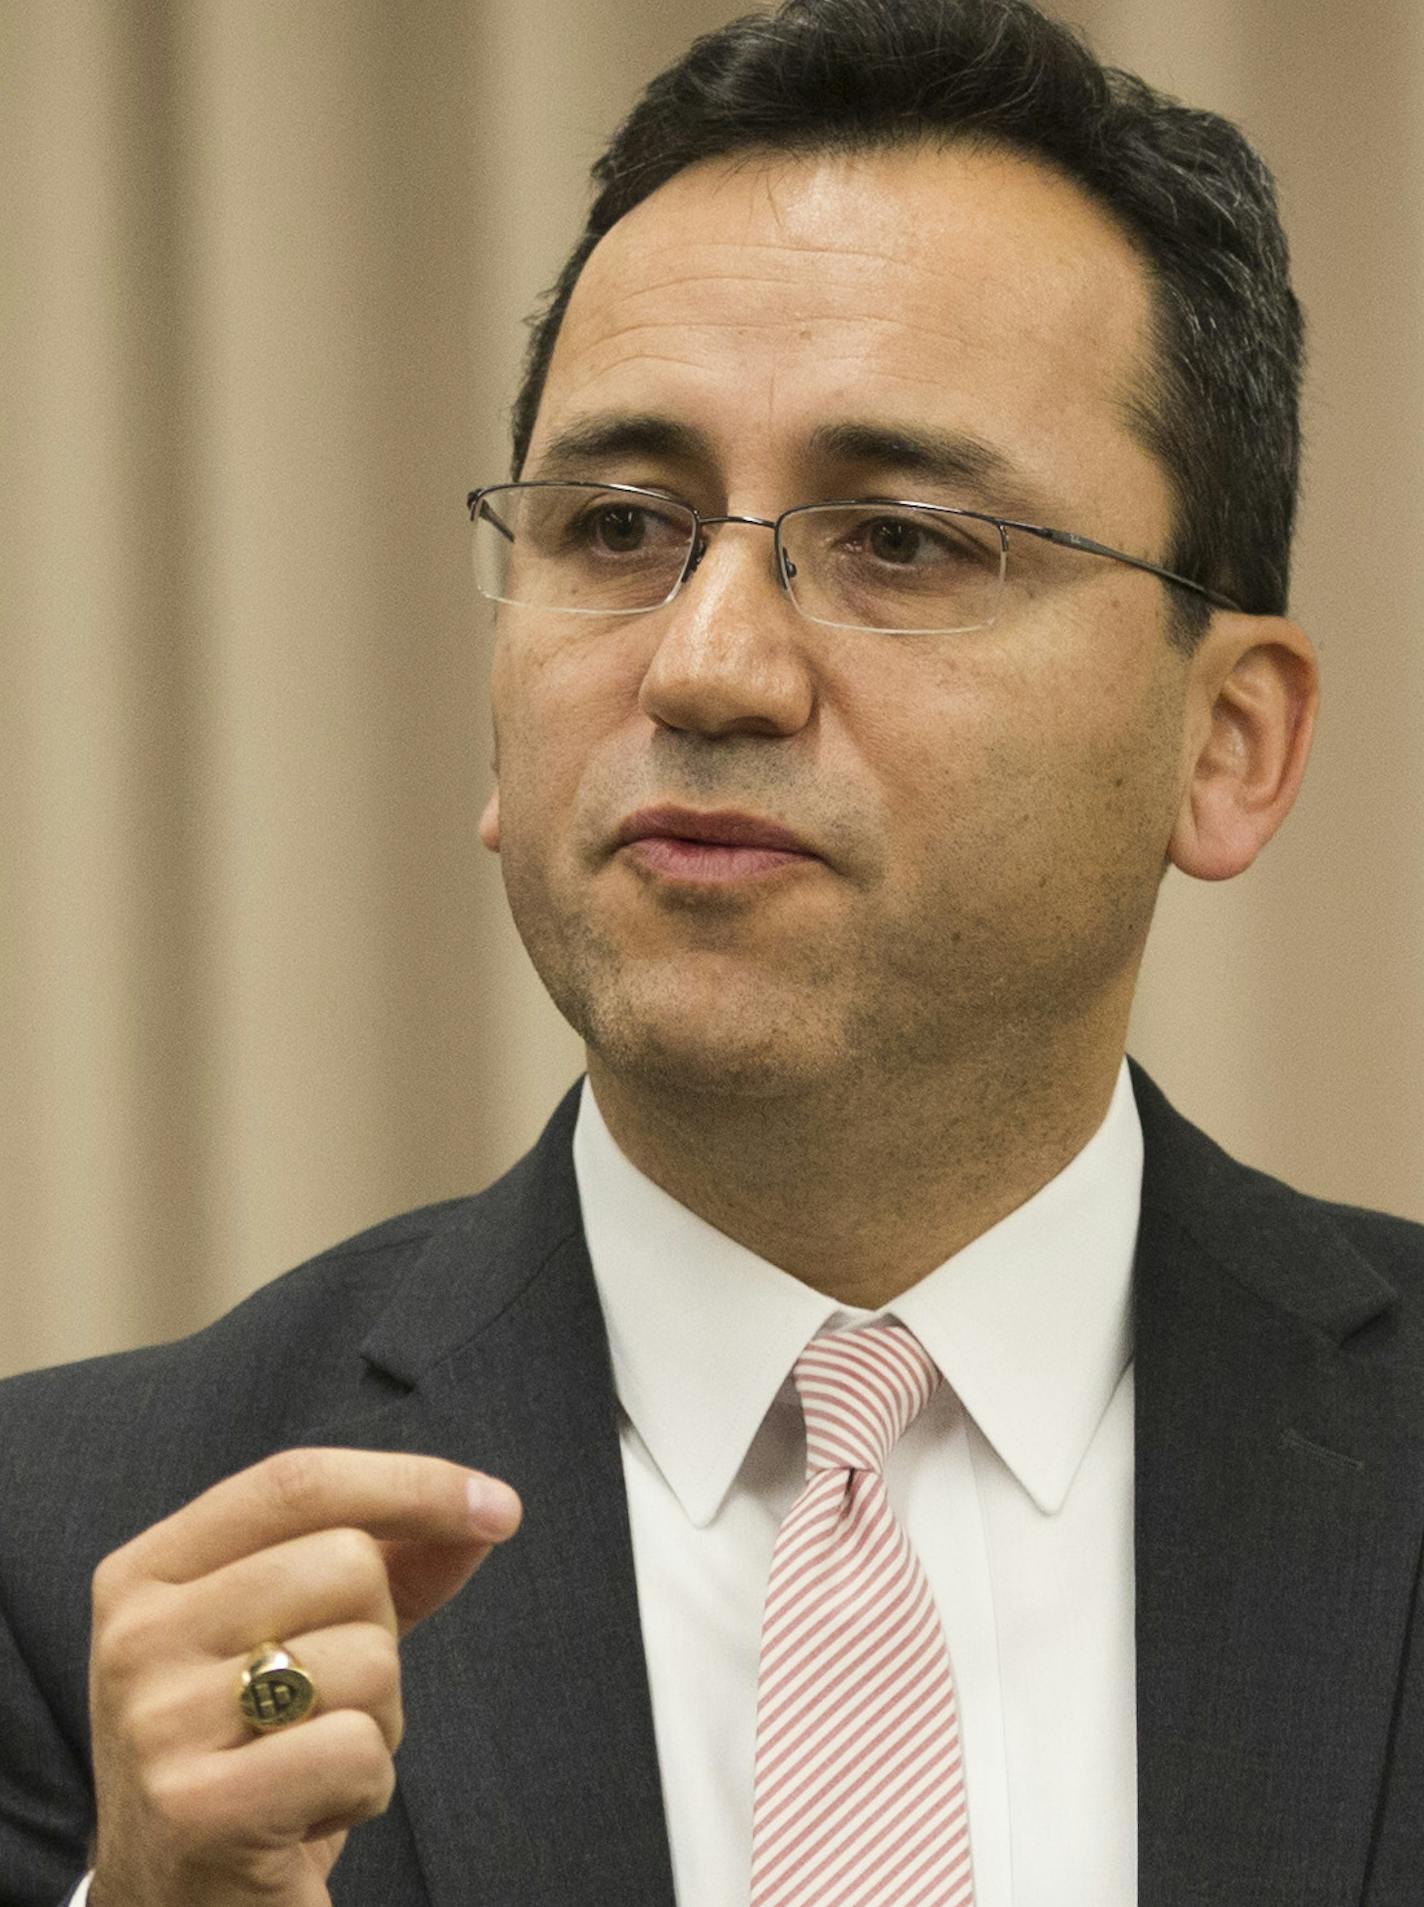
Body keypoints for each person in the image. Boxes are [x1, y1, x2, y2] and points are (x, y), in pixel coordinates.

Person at [3, 0, 1421, 1902]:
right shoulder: (79, 1562)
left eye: (903, 542)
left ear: (1225, 743)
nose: (703, 666)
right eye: (615, 526)